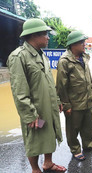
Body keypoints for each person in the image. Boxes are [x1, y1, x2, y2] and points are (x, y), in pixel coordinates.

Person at [7, 18, 66, 173]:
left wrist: (57, 100)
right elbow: (19, 91)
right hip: (35, 109)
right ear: (34, 35)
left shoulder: (42, 55)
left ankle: (48, 163)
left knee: (50, 133)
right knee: (34, 139)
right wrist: (29, 114)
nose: (48, 37)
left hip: (49, 105)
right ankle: (35, 169)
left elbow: (49, 81)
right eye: (45, 34)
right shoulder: (19, 57)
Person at [56, 31, 92, 161]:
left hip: (87, 99)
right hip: (74, 103)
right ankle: (75, 149)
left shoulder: (84, 57)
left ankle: (87, 144)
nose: (84, 44)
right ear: (73, 45)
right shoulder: (64, 61)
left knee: (88, 125)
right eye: (82, 42)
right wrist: (66, 105)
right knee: (73, 128)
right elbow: (61, 86)